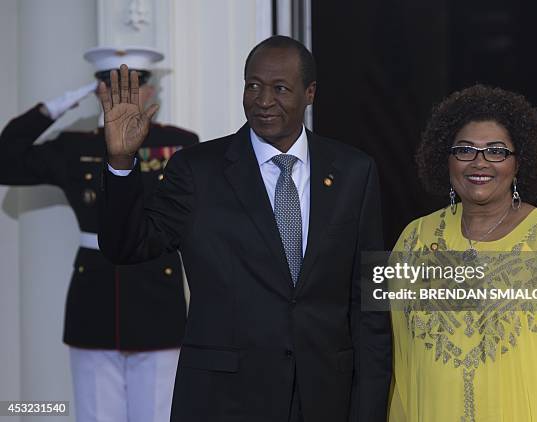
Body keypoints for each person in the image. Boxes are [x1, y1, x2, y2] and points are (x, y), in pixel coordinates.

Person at [97, 35, 391, 422]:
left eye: (280, 88)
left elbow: (371, 299)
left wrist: (369, 410)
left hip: (326, 398)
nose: (263, 100)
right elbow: (127, 246)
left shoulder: (356, 171)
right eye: (253, 85)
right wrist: (121, 162)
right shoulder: (197, 170)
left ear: (310, 93)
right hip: (223, 401)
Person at [387, 84, 537, 421]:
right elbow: (400, 363)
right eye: (464, 150)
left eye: (496, 151)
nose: (479, 162)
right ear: (445, 159)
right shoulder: (414, 240)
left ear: (518, 162)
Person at [0, 47, 198, 422]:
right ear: (96, 91)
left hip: (157, 295)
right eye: (109, 85)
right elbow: (5, 159)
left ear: (151, 91)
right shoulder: (74, 146)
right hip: (95, 301)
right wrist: (60, 104)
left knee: (158, 414)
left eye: (133, 84)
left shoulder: (179, 144)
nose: (121, 94)